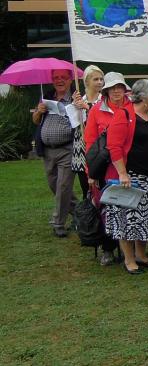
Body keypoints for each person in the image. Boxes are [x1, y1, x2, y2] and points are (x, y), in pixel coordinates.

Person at [104, 79, 148, 275]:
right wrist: (122, 173)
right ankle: (129, 260)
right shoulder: (124, 115)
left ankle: (141, 254)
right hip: (130, 177)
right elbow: (114, 146)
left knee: (145, 218)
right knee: (128, 219)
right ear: (145, 96)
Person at [84, 71, 130, 265]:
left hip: (129, 166)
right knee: (107, 208)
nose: (116, 91)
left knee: (129, 208)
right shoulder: (96, 110)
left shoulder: (131, 107)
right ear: (106, 91)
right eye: (112, 88)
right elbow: (90, 142)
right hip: (105, 167)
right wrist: (91, 172)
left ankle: (131, 249)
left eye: (119, 87)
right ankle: (108, 248)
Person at [32, 68, 80, 238]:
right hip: (47, 150)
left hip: (67, 148)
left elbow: (81, 120)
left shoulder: (76, 98)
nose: (59, 81)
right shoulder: (47, 97)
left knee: (63, 186)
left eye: (63, 78)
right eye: (55, 78)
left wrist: (77, 107)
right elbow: (36, 121)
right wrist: (39, 111)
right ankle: (79, 213)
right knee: (54, 185)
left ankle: (58, 223)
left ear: (69, 80)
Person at [71, 65, 104, 200]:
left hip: (98, 147)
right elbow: (74, 125)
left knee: (100, 187)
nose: (100, 82)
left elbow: (103, 120)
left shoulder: (104, 101)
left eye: (101, 79)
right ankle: (89, 218)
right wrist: (74, 106)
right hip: (81, 148)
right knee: (86, 189)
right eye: (96, 79)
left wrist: (88, 108)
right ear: (87, 82)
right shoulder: (79, 100)